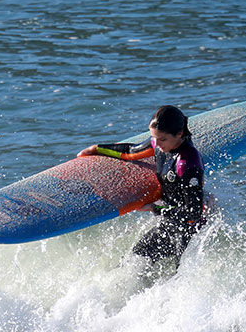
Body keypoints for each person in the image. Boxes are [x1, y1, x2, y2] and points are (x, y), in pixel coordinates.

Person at [78, 105, 205, 270]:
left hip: (189, 229)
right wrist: (97, 149)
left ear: (179, 134)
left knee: (176, 274)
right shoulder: (159, 143)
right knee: (131, 263)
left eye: (162, 139)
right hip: (169, 221)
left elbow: (194, 212)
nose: (157, 144)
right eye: (154, 138)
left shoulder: (188, 163)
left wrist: (155, 208)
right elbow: (131, 151)